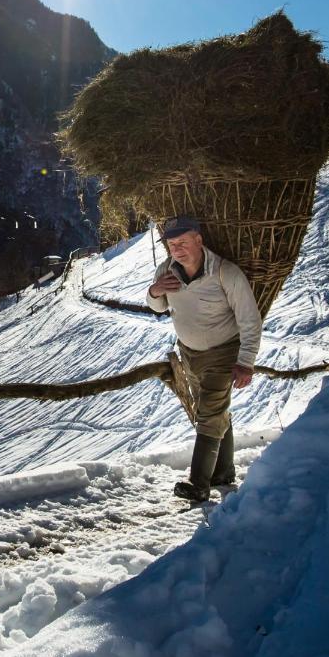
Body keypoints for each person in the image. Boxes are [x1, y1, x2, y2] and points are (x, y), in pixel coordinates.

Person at [146, 215, 262, 502]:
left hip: (224, 353)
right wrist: (155, 291)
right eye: (172, 244)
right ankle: (223, 472)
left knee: (209, 415)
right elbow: (157, 307)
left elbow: (250, 320)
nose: (177, 249)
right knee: (211, 411)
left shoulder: (225, 272)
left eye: (183, 242)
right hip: (189, 354)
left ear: (199, 240)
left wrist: (246, 362)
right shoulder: (167, 269)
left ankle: (198, 484)